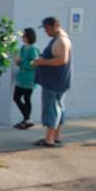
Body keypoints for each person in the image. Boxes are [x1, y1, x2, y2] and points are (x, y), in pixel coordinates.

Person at [33, 17, 72, 147]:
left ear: (55, 26)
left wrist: (43, 62)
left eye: (47, 28)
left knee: (52, 108)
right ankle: (56, 136)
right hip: (58, 81)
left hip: (54, 81)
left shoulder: (61, 41)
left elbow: (62, 60)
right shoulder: (60, 39)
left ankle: (49, 139)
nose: (46, 31)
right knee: (59, 107)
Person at [13, 27, 39, 129]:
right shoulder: (23, 48)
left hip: (29, 77)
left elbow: (34, 64)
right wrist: (18, 61)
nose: (22, 37)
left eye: (24, 35)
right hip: (21, 77)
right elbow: (21, 62)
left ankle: (27, 119)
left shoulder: (33, 49)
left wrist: (22, 62)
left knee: (27, 98)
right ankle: (27, 118)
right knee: (17, 97)